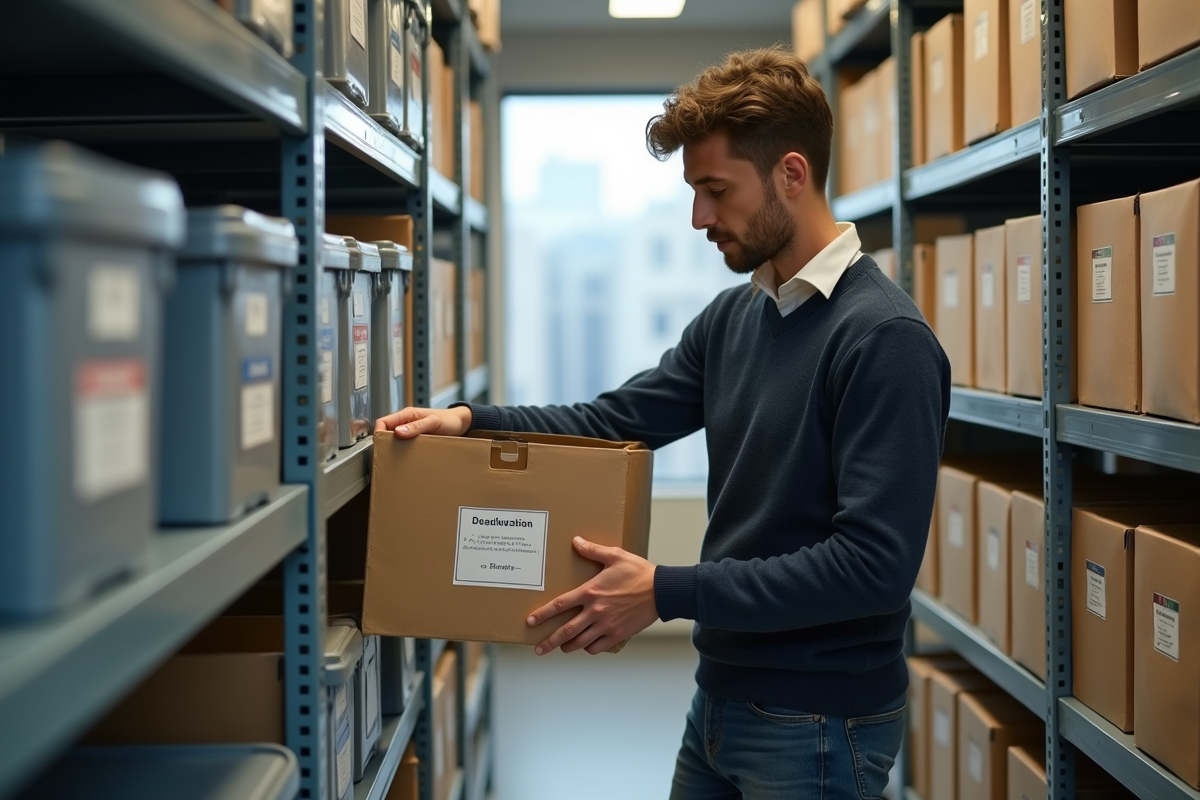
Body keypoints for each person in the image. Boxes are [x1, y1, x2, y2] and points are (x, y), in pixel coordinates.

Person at [376, 46, 950, 800]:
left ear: (792, 173)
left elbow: (872, 568)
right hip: (719, 698)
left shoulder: (885, 340)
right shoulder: (734, 318)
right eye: (693, 191)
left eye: (716, 190)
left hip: (818, 724)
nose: (698, 217)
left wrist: (664, 591)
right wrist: (471, 422)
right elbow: (614, 420)